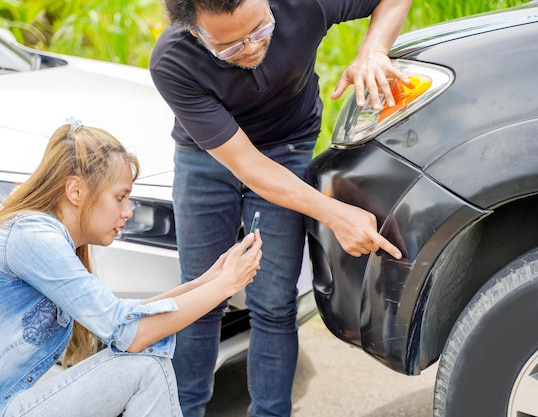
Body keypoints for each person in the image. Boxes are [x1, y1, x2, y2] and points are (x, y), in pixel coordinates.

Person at [149, 0, 411, 415]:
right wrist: (335, 214)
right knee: (201, 296)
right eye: (230, 48)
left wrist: (373, 50)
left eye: (259, 30)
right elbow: (249, 167)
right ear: (196, 34)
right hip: (207, 158)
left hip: (287, 145)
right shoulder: (172, 60)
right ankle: (180, 410)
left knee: (273, 302)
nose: (251, 49)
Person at [0, 120, 262, 417]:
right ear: (76, 191)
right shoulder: (33, 236)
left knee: (145, 365)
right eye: (120, 197)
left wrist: (210, 280)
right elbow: (131, 334)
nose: (127, 212)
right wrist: (223, 287)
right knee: (145, 368)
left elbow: (123, 318)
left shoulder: (46, 237)